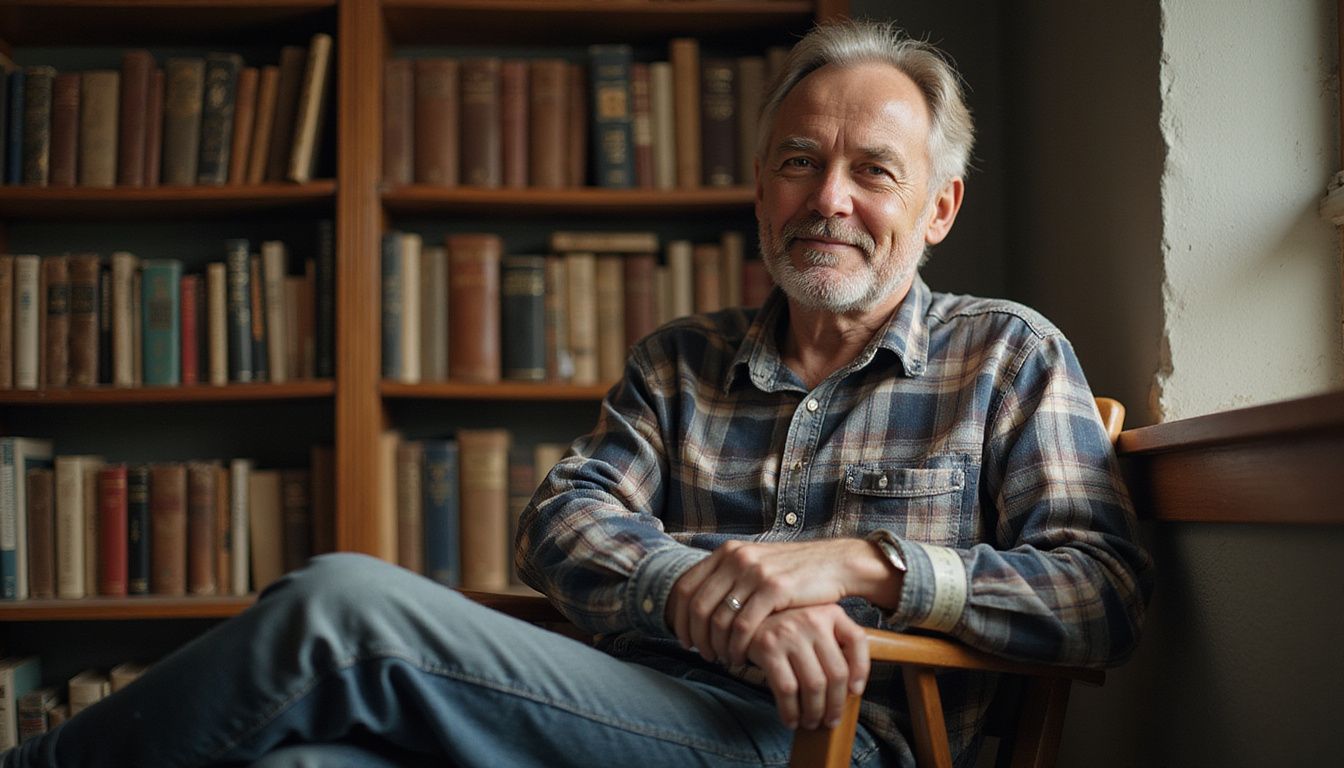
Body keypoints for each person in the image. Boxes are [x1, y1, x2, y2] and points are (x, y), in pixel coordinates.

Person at [3, 20, 1152, 768]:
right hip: (629, 709)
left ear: (938, 209)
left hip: (836, 740)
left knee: (339, 606)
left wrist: (867, 567)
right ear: (760, 190)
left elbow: (1099, 593)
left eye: (872, 170)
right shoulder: (681, 360)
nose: (829, 198)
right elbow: (561, 523)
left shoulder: (1007, 357)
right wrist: (715, 588)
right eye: (800, 161)